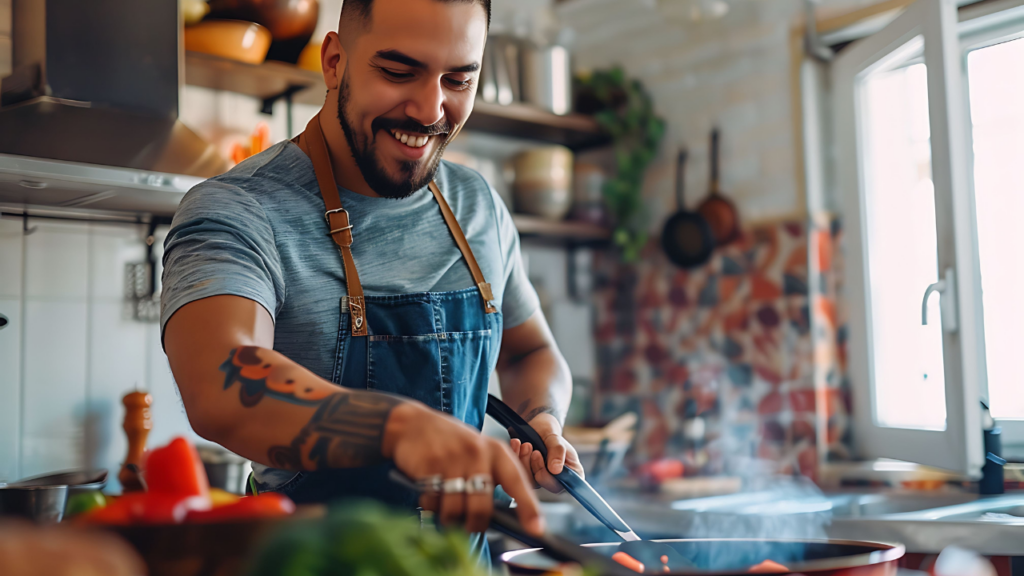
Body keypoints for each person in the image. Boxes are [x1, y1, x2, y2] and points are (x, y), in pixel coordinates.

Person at [161, 0, 583, 543]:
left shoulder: (477, 206)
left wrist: (542, 420)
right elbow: (221, 379)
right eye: (398, 71)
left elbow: (530, 352)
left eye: (458, 79)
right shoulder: (239, 209)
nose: (430, 109)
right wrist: (396, 427)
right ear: (334, 61)